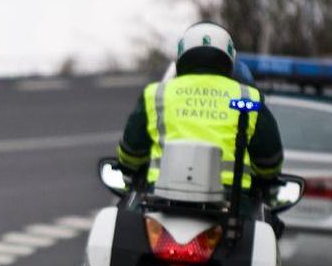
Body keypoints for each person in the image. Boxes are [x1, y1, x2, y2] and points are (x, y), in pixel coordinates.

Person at [117, 22, 284, 197]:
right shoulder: (247, 98)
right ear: (230, 59)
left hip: (159, 198)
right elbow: (270, 161)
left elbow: (131, 153)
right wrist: (266, 178)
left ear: (182, 56)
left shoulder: (157, 93)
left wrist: (130, 168)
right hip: (233, 202)